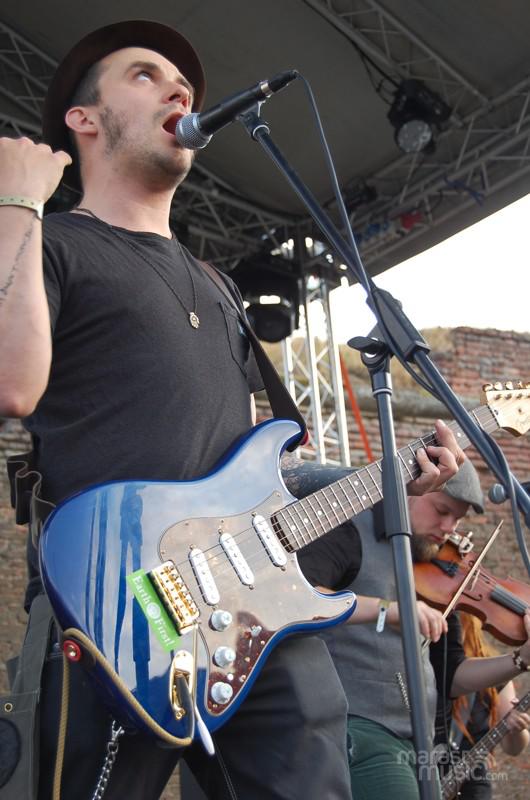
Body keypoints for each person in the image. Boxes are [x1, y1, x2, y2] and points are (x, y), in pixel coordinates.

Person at [0, 18, 464, 800]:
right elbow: (12, 385)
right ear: (83, 119)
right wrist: (17, 201)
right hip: (111, 601)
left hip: (249, 619)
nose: (179, 90)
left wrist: (395, 475)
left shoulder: (219, 287)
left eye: (185, 84)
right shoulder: (50, 243)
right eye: (145, 75)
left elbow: (258, 470)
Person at [298, 460, 530, 800]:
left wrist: (519, 659)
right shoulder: (351, 531)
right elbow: (302, 596)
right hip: (359, 727)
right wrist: (389, 610)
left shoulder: (435, 569)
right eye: (442, 510)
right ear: (411, 490)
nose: (449, 528)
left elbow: (453, 676)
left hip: (419, 744)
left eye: (458, 519)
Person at [442, 612, 530, 799]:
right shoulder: (428, 667)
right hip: (425, 774)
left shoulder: (497, 672)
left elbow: (513, 748)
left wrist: (517, 729)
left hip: (473, 785)